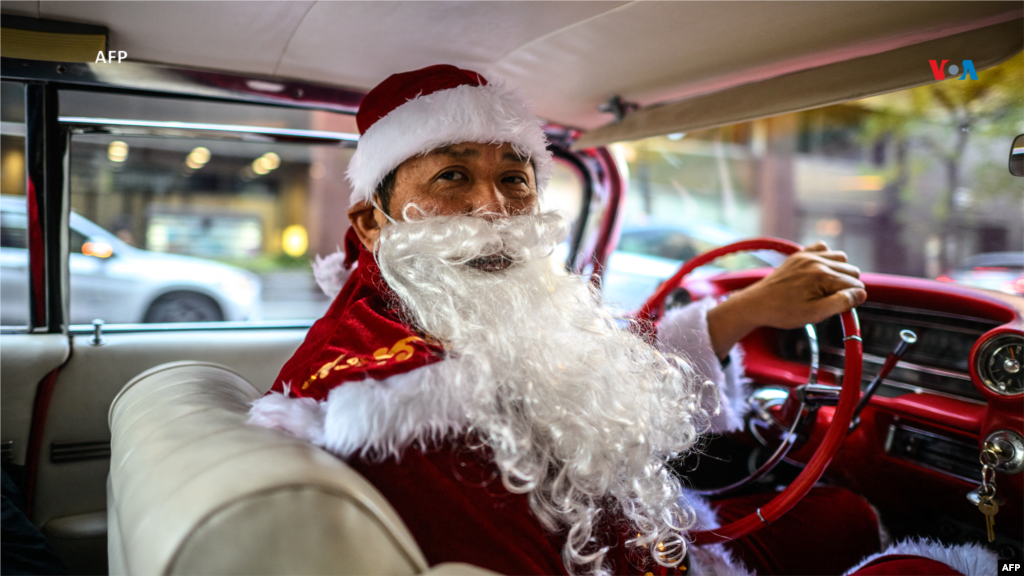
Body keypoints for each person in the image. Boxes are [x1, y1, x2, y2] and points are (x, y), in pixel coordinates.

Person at [249, 65, 992, 576]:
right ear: (371, 222)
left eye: (514, 178)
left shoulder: (424, 317)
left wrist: (745, 311)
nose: (495, 210)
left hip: (660, 540)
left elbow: (587, 370)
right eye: (452, 176)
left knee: (845, 519)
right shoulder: (392, 402)